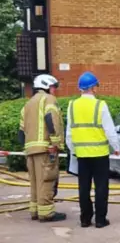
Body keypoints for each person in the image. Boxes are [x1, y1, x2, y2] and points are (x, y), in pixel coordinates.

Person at [66, 71, 120, 229]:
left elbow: (69, 132)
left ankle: (85, 219)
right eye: (97, 85)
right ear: (93, 87)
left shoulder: (72, 105)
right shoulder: (100, 105)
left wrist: (73, 150)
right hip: (100, 154)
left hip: (82, 155)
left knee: (84, 188)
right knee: (101, 188)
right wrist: (116, 147)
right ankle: (100, 220)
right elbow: (110, 130)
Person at [18, 74, 66, 223]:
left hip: (30, 150)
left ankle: (35, 210)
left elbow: (20, 132)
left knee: (35, 181)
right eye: (53, 87)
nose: (54, 91)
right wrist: (55, 143)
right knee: (47, 180)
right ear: (46, 86)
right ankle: (46, 213)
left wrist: (27, 147)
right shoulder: (48, 99)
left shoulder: (28, 104)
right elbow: (51, 120)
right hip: (46, 148)